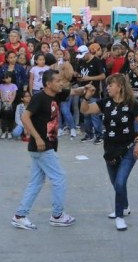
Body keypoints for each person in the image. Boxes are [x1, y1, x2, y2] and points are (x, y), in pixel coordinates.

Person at [11, 69, 86, 230]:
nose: (61, 83)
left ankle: (20, 215)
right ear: (48, 84)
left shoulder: (56, 95)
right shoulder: (39, 98)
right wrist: (37, 137)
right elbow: (25, 117)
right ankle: (57, 215)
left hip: (47, 146)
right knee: (59, 178)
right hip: (42, 146)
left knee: (36, 183)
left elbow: (73, 91)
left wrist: (85, 89)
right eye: (58, 81)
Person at [80, 73, 138, 231]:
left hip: (128, 149)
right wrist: (87, 97)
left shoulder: (131, 104)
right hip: (110, 150)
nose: (108, 88)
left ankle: (119, 216)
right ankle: (124, 206)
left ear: (119, 86)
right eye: (107, 85)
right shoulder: (105, 103)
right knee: (116, 183)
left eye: (110, 85)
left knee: (120, 182)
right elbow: (86, 110)